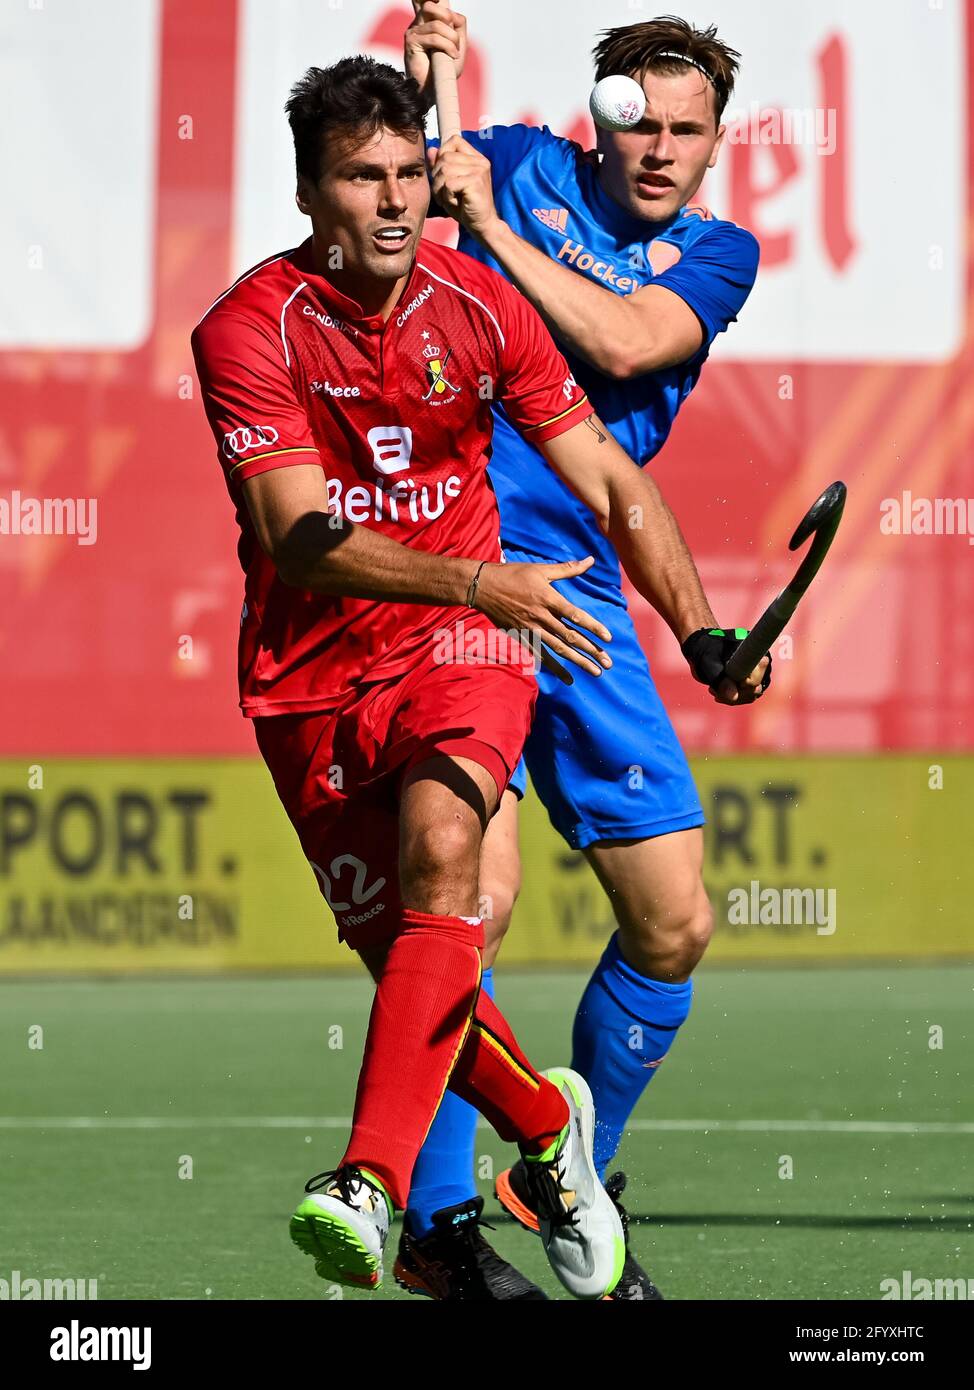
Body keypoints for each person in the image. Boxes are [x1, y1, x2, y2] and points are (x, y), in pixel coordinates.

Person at [191, 55, 763, 1298]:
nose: (395, 201)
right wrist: (430, 71)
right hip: (316, 667)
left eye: (407, 175)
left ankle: (374, 1187)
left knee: (464, 867)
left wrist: (697, 625)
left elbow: (610, 477)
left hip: (479, 634)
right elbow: (298, 535)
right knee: (427, 941)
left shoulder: (493, 298)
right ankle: (546, 1147)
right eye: (362, 177)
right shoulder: (247, 328)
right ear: (308, 191)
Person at [401, 4, 765, 1299]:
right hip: (461, 576)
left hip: (589, 596)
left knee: (673, 920)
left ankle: (568, 1175)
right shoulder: (521, 162)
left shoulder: (722, 255)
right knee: (469, 904)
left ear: (716, 142)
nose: (659, 149)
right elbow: (416, 162)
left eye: (687, 129)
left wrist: (703, 628)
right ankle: (436, 1225)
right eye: (640, 121)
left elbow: (621, 346)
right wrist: (426, 79)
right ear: (596, 116)